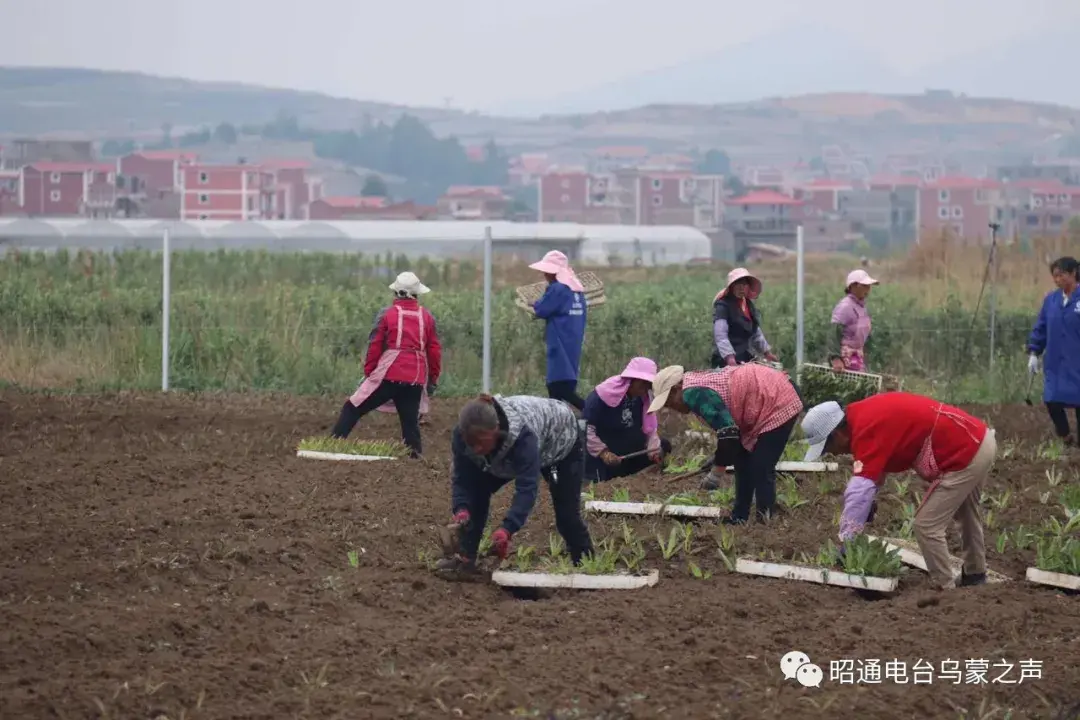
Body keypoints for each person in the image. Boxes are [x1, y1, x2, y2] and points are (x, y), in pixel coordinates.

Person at [800, 393, 997, 590]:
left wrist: (848, 541)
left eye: (828, 447)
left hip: (964, 453)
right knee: (966, 513)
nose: (833, 453)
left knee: (926, 525)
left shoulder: (865, 429)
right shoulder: (863, 416)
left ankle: (945, 589)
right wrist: (869, 499)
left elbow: (859, 490)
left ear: (838, 434)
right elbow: (875, 472)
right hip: (979, 440)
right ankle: (975, 575)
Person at [435, 394, 594, 580]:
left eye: (480, 442)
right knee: (477, 492)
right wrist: (461, 509)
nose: (476, 449)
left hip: (562, 442)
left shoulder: (523, 439)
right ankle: (465, 559)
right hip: (509, 452)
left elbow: (527, 489)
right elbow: (463, 478)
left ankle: (587, 565)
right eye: (471, 443)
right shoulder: (463, 436)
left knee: (567, 515)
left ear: (495, 430)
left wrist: (507, 529)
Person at [648, 363, 803, 524]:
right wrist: (718, 458)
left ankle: (765, 523)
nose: (673, 408)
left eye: (669, 402)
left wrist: (716, 472)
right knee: (742, 462)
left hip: (776, 398)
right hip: (765, 398)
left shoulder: (692, 393)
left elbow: (728, 435)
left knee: (761, 466)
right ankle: (739, 517)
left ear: (676, 389)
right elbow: (729, 435)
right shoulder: (694, 385)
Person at [330, 271, 441, 458]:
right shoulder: (427, 317)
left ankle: (331, 445)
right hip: (415, 376)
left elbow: (375, 345)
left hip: (390, 373)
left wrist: (370, 372)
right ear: (416, 294)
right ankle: (415, 463)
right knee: (410, 424)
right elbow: (434, 352)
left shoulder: (387, 315)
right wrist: (432, 379)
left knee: (353, 407)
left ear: (396, 293)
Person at [583, 357, 672, 482]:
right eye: (642, 384)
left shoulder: (644, 398)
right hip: (607, 452)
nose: (645, 389)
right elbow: (587, 429)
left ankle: (643, 477)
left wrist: (654, 449)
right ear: (631, 380)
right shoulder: (601, 396)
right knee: (597, 476)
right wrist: (604, 453)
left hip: (629, 451)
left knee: (664, 446)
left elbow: (650, 429)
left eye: (648, 385)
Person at [1026, 256, 1080, 446]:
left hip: (1077, 360)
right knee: (1051, 399)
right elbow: (1041, 327)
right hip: (1056, 361)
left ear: (1073, 273)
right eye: (1055, 276)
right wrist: (1034, 352)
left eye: (1061, 275)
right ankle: (1065, 436)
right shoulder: (1051, 300)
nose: (1057, 280)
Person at [529, 250, 588, 411]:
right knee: (562, 391)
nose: (544, 274)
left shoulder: (557, 289)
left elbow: (542, 309)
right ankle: (561, 428)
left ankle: (595, 414)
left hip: (559, 346)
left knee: (559, 389)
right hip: (572, 345)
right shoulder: (577, 291)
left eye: (547, 271)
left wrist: (533, 304)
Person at [710, 267, 779, 368]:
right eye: (738, 284)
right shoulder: (723, 305)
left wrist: (767, 353)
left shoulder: (748, 305)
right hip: (724, 360)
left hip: (743, 356)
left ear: (748, 287)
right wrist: (730, 358)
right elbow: (720, 335)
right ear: (732, 286)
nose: (741, 288)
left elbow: (756, 332)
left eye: (744, 284)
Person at [829, 269, 879, 372]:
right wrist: (836, 359)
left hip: (857, 358)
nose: (868, 289)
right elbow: (834, 333)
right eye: (864, 286)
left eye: (869, 286)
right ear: (853, 286)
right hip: (844, 361)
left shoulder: (861, 307)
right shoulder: (845, 306)